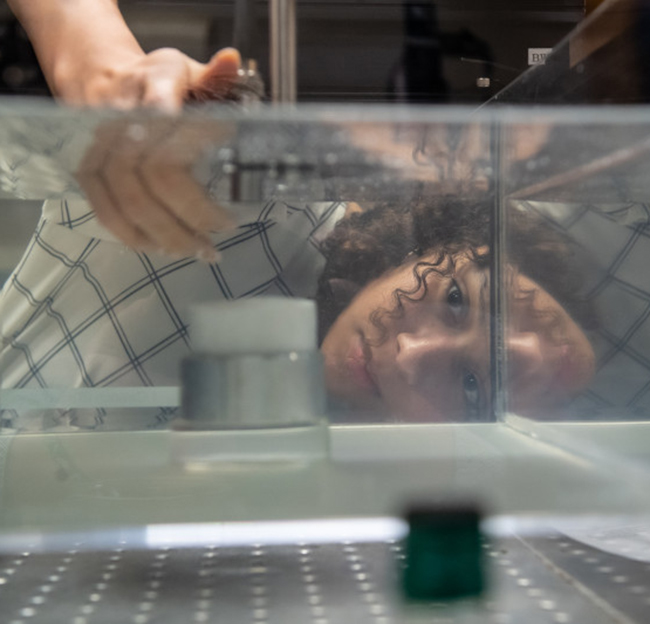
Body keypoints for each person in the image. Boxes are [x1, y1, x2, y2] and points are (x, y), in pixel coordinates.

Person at [0, 0, 599, 429]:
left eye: (472, 389)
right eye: (454, 299)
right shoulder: (242, 211)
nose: (410, 352)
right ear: (433, 244)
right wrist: (102, 66)